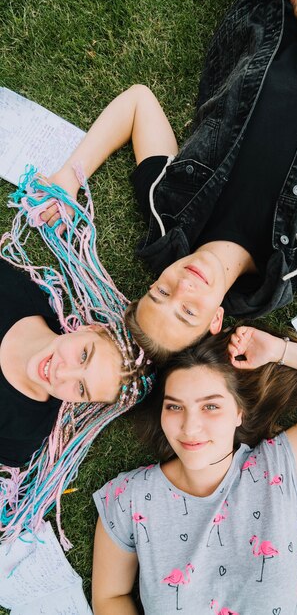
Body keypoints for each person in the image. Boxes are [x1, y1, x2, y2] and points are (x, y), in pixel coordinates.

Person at [43, 0, 297, 360]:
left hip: (272, 16)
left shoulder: (168, 206)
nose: (183, 286)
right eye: (188, 312)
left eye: (160, 293)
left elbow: (137, 102)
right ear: (217, 321)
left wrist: (68, 177)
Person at [91, 323, 297, 614]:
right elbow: (109, 597)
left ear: (238, 413)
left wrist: (279, 350)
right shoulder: (129, 497)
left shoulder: (275, 469)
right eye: (174, 406)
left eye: (210, 406)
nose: (190, 427)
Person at [0, 167, 153, 549]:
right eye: (83, 354)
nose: (63, 372)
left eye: (80, 388)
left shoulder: (21, 433)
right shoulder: (18, 294)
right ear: (90, 329)